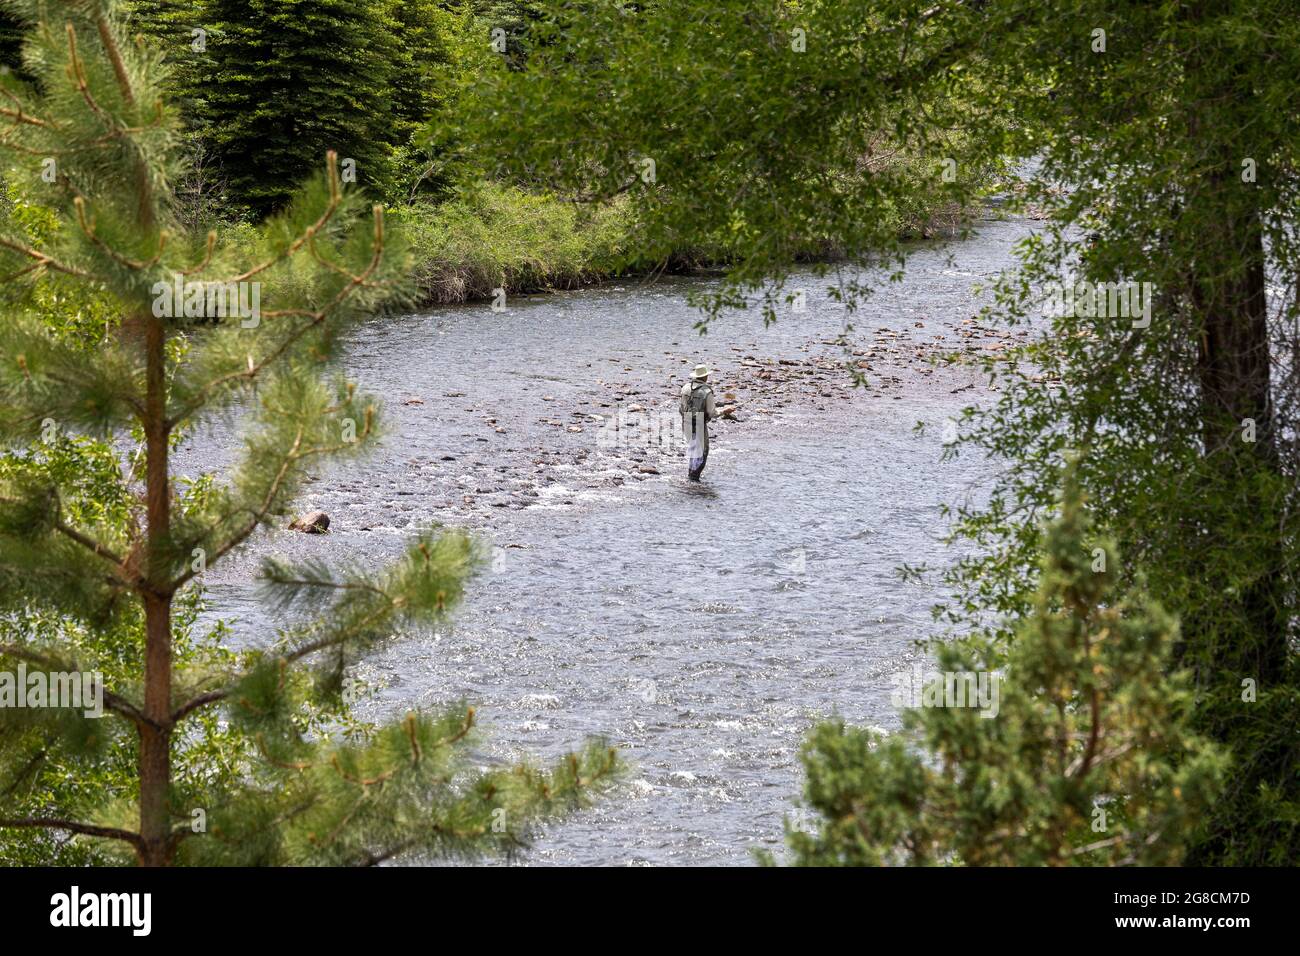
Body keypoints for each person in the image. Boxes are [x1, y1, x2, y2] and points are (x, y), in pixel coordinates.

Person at [679, 363, 717, 481]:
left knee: (693, 447)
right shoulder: (706, 391)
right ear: (705, 377)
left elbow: (682, 408)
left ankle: (691, 475)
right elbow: (712, 413)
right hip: (699, 423)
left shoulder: (685, 387)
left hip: (686, 422)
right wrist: (725, 411)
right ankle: (694, 478)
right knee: (703, 451)